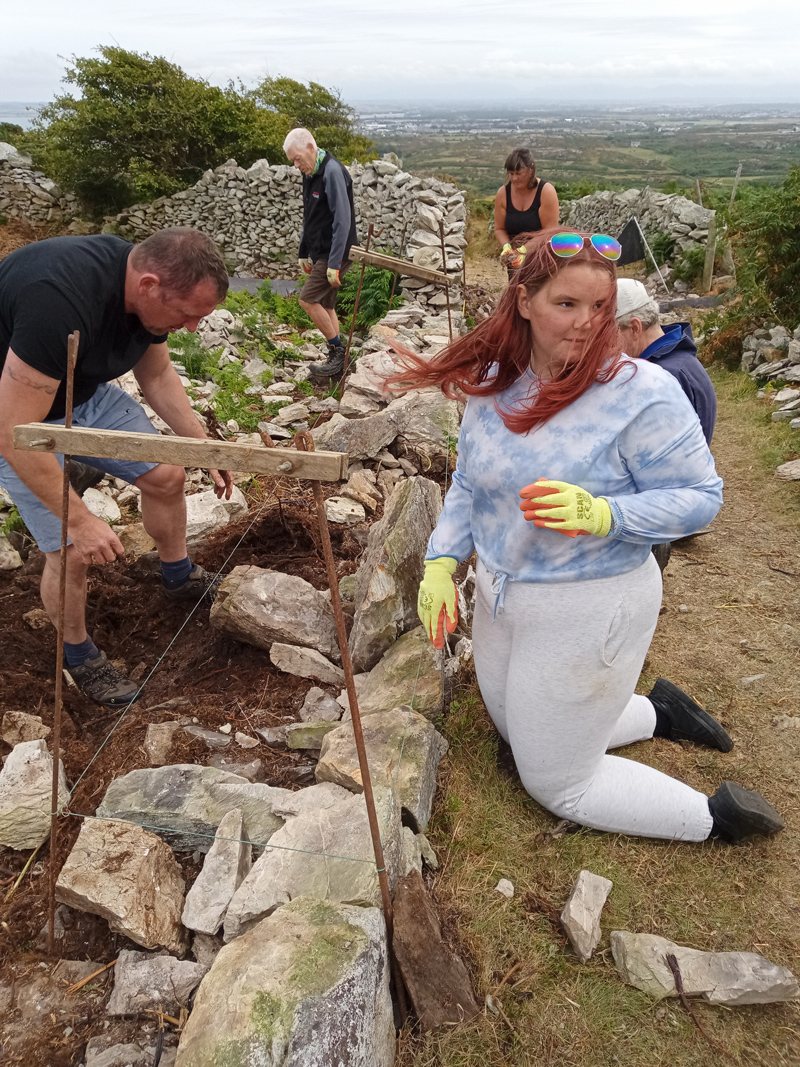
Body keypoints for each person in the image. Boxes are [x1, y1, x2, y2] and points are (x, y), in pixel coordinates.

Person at [396, 228, 783, 845]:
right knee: (514, 730)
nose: (585, 324)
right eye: (566, 305)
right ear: (524, 301)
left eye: (599, 308)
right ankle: (659, 711)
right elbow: (470, 482)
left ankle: (716, 818)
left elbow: (702, 500)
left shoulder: (641, 394)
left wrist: (608, 515)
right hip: (503, 590)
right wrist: (440, 564)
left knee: (555, 781)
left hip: (590, 598)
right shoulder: (497, 381)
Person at [0, 227, 234, 707]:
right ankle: (80, 655)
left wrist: (202, 446)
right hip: (14, 416)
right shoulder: (57, 300)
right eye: (188, 315)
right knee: (69, 549)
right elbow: (14, 432)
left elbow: (158, 375)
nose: (192, 328)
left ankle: (177, 575)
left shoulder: (146, 298)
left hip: (81, 393)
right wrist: (81, 520)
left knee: (167, 475)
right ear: (148, 285)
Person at [283, 127, 358, 384]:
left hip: (335, 250)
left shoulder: (333, 172)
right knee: (326, 305)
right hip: (321, 250)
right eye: (292, 161)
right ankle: (339, 362)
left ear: (311, 148)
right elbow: (309, 215)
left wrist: (334, 263)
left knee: (307, 300)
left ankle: (338, 353)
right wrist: (304, 251)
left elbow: (342, 219)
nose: (296, 165)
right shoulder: (311, 172)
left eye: (297, 158)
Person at [616, 279, 716, 443]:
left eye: (608, 334)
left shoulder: (664, 377)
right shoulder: (678, 358)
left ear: (635, 328)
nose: (603, 346)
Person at [494, 149, 559, 275]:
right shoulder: (503, 194)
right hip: (514, 260)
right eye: (511, 173)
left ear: (531, 169)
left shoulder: (546, 192)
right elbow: (499, 229)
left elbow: (548, 233)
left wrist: (524, 251)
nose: (514, 178)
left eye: (518, 173)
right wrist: (506, 247)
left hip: (540, 258)